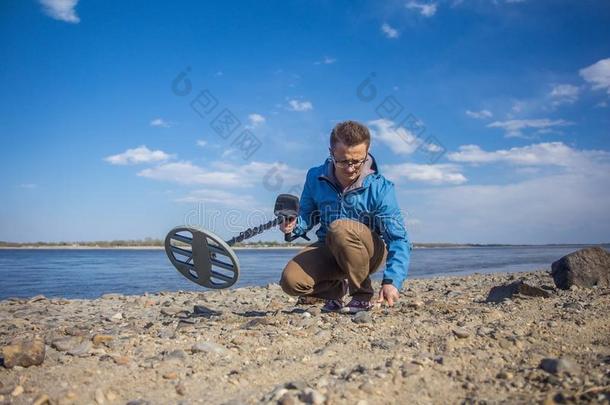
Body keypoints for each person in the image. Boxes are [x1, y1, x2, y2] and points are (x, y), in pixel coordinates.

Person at [279, 120, 411, 313]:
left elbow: (398, 238)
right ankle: (337, 290)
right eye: (342, 161)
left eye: (357, 161)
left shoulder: (381, 187)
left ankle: (362, 295)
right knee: (291, 282)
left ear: (367, 151)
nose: (350, 168)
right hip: (330, 248)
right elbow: (307, 214)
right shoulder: (314, 176)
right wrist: (293, 225)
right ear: (331, 152)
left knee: (340, 227)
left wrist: (392, 280)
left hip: (369, 253)